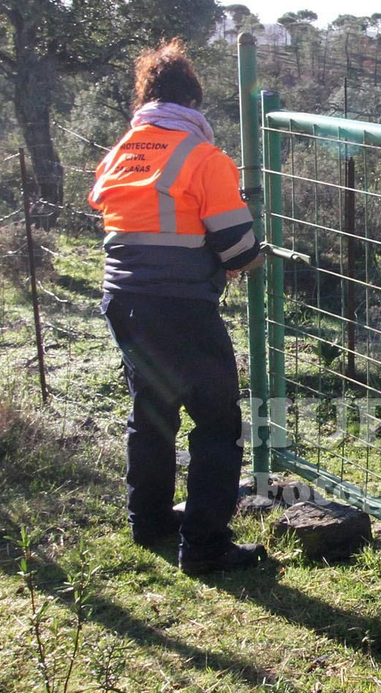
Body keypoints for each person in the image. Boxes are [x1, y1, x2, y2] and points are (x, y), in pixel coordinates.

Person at [88, 39, 268, 575]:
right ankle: (206, 547)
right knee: (217, 423)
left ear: (145, 100)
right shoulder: (203, 158)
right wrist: (250, 257)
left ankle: (149, 522)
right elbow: (238, 249)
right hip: (181, 307)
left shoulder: (120, 154)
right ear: (193, 102)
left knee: (152, 413)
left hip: (123, 300)